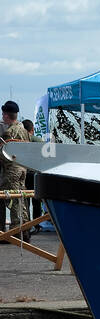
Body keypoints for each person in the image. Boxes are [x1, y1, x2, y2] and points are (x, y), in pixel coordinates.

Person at [1, 101, 32, 239]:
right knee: (21, 198)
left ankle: (15, 232)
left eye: (3, 114)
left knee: (12, 200)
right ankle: (25, 229)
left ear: (7, 116)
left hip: (12, 170)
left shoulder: (9, 132)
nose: (2, 116)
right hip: (23, 168)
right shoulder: (24, 130)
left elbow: (5, 153)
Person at [21, 119, 42, 228]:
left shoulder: (19, 140)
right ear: (32, 129)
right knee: (36, 200)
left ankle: (26, 225)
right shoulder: (38, 140)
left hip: (23, 174)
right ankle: (37, 224)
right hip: (35, 173)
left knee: (25, 201)